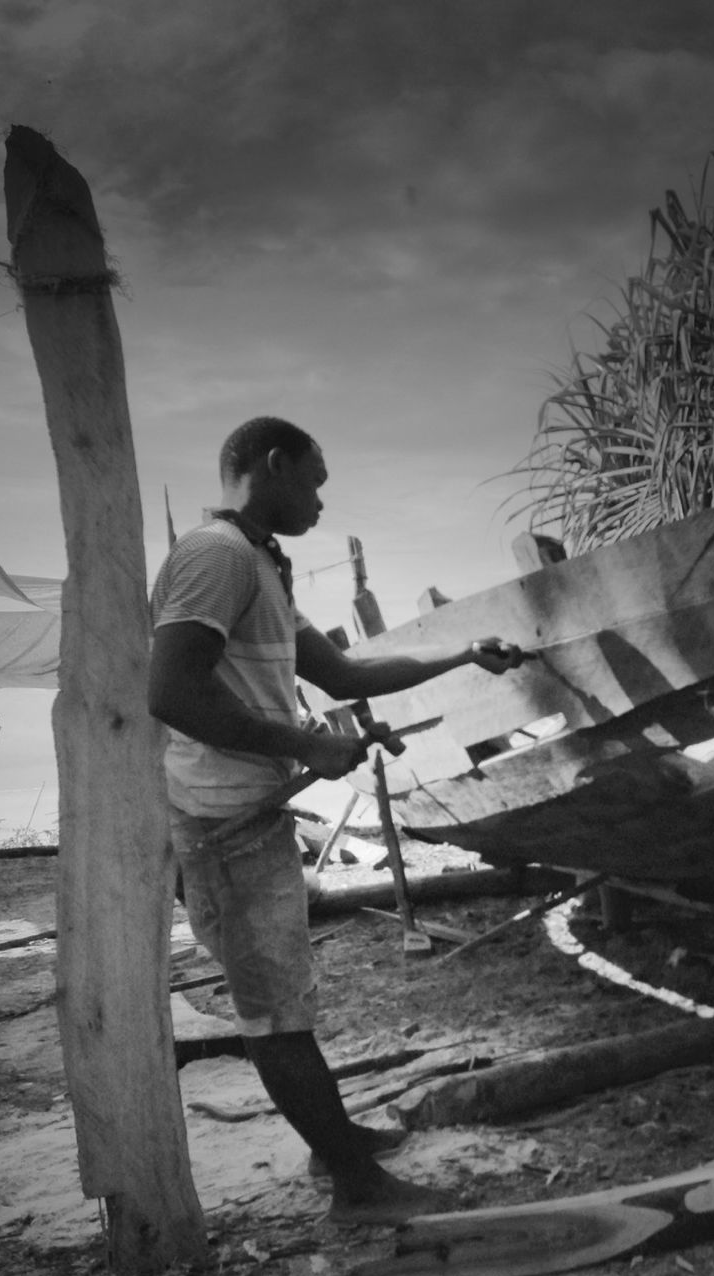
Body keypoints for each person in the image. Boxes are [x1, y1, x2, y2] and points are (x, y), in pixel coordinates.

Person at [148, 415, 524, 1224]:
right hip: (221, 823)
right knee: (275, 1013)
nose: (321, 501)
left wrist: (459, 654)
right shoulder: (215, 557)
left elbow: (345, 671)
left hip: (250, 812)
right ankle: (358, 1189)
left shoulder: (258, 562)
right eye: (314, 482)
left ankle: (333, 1143)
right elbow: (171, 692)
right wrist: (302, 745)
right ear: (274, 465)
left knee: (288, 996)